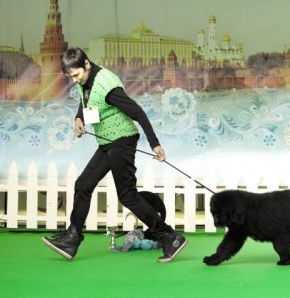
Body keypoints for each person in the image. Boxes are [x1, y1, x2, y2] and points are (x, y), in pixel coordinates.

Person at [41, 47, 187, 263]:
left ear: (87, 64)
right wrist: (79, 118)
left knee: (127, 195)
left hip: (123, 141)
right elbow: (85, 100)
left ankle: (170, 237)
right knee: (83, 185)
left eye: (77, 75)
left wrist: (155, 144)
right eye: (71, 77)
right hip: (107, 143)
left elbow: (138, 112)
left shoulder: (106, 85)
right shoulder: (85, 80)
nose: (75, 80)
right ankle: (72, 238)